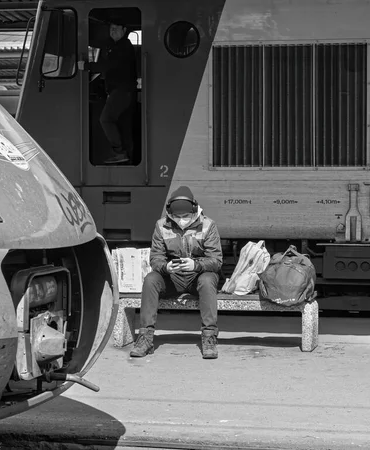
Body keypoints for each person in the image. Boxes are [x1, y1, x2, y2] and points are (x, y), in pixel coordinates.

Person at [130, 186, 223, 359]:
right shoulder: (161, 225)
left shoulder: (208, 225)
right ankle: (145, 338)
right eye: (177, 217)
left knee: (208, 280)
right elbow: (156, 258)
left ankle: (209, 337)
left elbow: (216, 261)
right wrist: (166, 268)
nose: (181, 220)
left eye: (185, 216)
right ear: (170, 213)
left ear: (194, 210)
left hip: (198, 278)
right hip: (173, 278)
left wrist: (195, 265)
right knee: (151, 279)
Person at [81, 22, 137, 164]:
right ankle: (125, 153)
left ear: (124, 29)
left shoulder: (123, 47)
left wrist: (86, 66)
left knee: (105, 119)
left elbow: (108, 65)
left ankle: (119, 152)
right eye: (111, 28)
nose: (113, 31)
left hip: (121, 91)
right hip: (120, 91)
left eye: (116, 28)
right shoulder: (116, 46)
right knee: (121, 124)